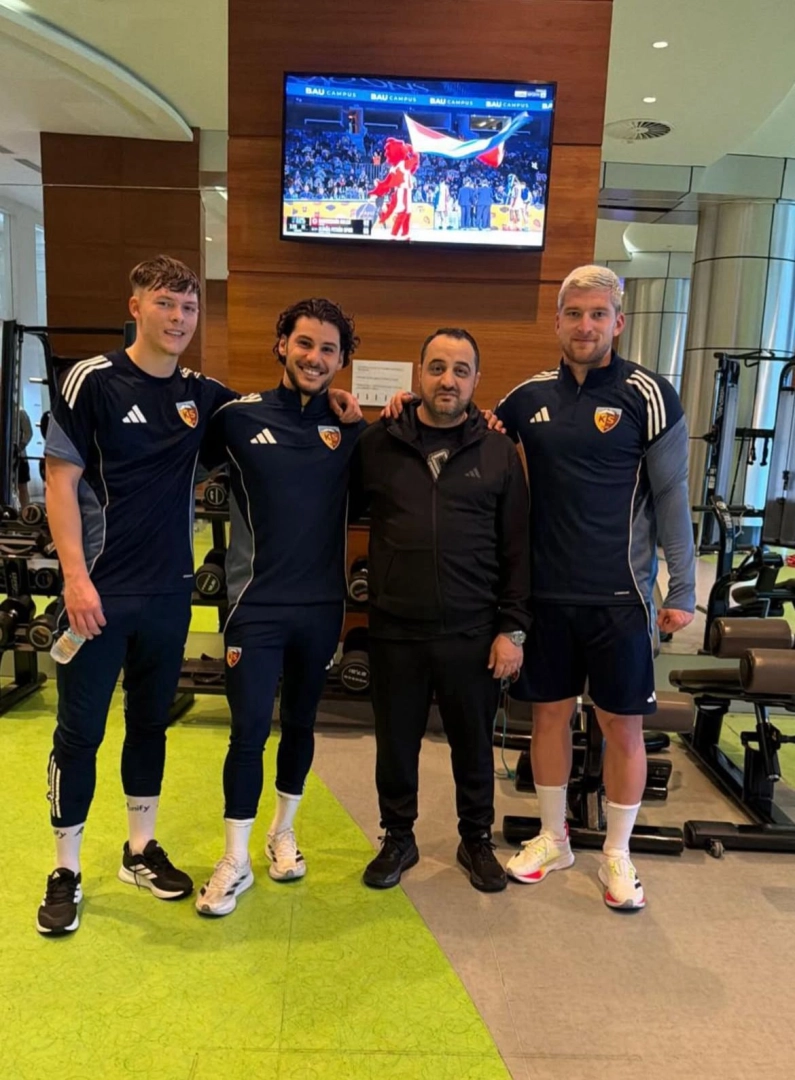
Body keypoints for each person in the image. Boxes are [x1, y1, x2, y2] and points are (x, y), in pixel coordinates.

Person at [37, 261, 360, 937]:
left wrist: (339, 406)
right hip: (97, 590)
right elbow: (60, 479)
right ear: (136, 307)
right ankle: (64, 869)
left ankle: (139, 851)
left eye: (188, 307)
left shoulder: (204, 397)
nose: (179, 317)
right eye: (166, 304)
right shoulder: (92, 379)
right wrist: (74, 577)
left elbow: (277, 417)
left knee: (149, 725)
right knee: (80, 733)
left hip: (168, 593)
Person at [495, 265, 696, 911]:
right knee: (548, 717)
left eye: (598, 314)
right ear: (557, 321)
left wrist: (682, 589)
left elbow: (671, 495)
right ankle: (553, 839)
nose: (585, 326)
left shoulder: (649, 394)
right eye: (574, 313)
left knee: (621, 726)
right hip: (547, 595)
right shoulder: (526, 398)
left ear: (618, 322)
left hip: (620, 597)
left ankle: (616, 852)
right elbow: (470, 438)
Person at [195, 298, 367, 917]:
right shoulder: (236, 418)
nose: (314, 358)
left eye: (328, 349)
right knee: (247, 732)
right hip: (255, 606)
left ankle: (282, 833)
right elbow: (171, 470)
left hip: (321, 608)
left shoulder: (351, 430)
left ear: (341, 360)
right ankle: (235, 859)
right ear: (281, 346)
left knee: (299, 725)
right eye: (304, 343)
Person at [352, 328, 530, 893]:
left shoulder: (499, 452)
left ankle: (475, 839)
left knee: (473, 746)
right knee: (395, 743)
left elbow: (517, 550)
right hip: (395, 629)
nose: (447, 380)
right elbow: (340, 511)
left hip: (472, 631)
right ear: (418, 374)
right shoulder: (377, 444)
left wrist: (512, 629)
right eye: (436, 367)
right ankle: (397, 837)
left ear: (476, 380)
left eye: (460, 370)